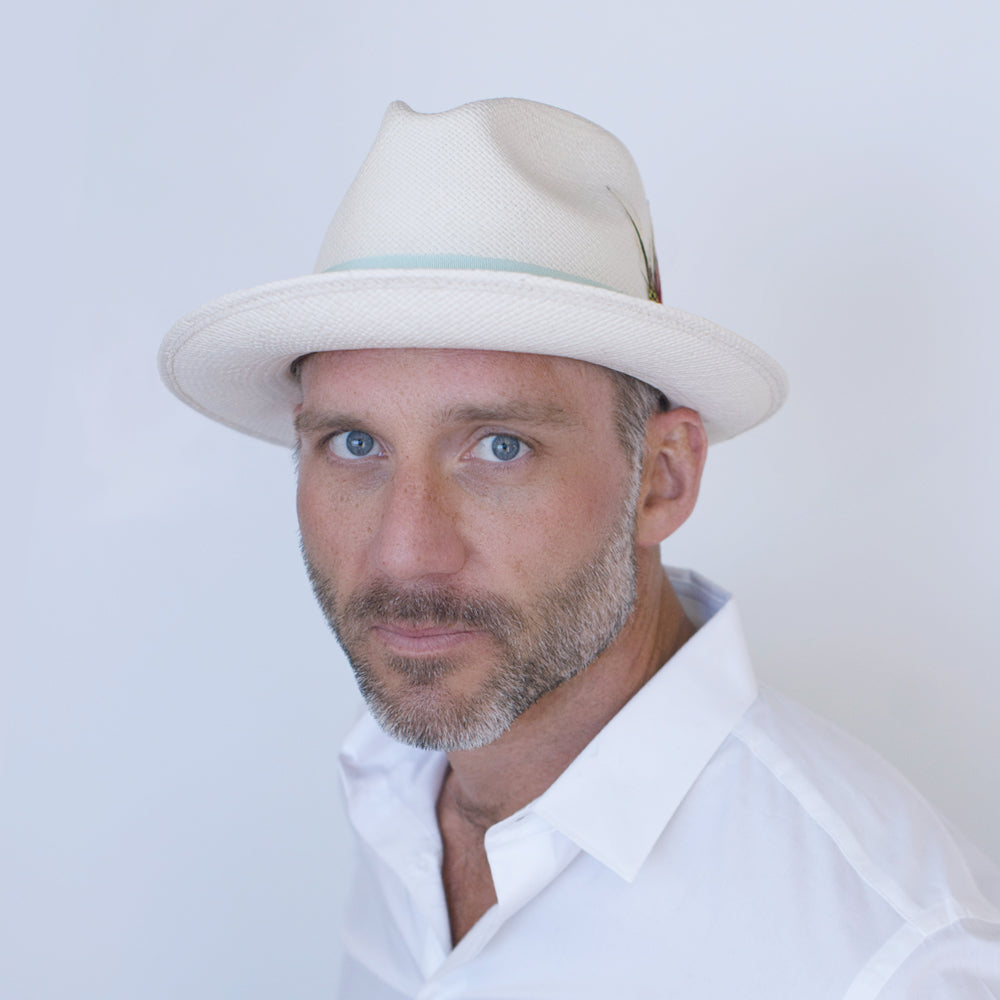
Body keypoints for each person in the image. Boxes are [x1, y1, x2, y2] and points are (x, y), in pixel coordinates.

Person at [159, 98, 1000, 998]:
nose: (405, 554)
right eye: (355, 444)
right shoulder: (397, 791)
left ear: (662, 477)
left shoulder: (888, 961)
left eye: (500, 447)